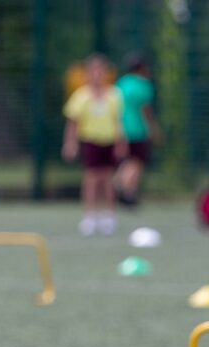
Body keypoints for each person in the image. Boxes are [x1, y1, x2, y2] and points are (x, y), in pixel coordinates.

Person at [62, 54, 127, 236]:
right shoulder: (81, 96)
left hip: (109, 141)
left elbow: (117, 121)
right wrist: (70, 143)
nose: (97, 74)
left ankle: (109, 216)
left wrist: (120, 142)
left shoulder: (114, 95)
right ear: (88, 73)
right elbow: (73, 122)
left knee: (108, 179)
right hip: (91, 141)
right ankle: (90, 216)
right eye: (93, 70)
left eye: (101, 70)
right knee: (91, 178)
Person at [115, 55, 160, 207]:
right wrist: (153, 128)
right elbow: (145, 110)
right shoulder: (144, 85)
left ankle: (122, 186)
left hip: (120, 127)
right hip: (138, 129)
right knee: (137, 161)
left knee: (127, 161)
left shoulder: (121, 83)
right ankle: (127, 191)